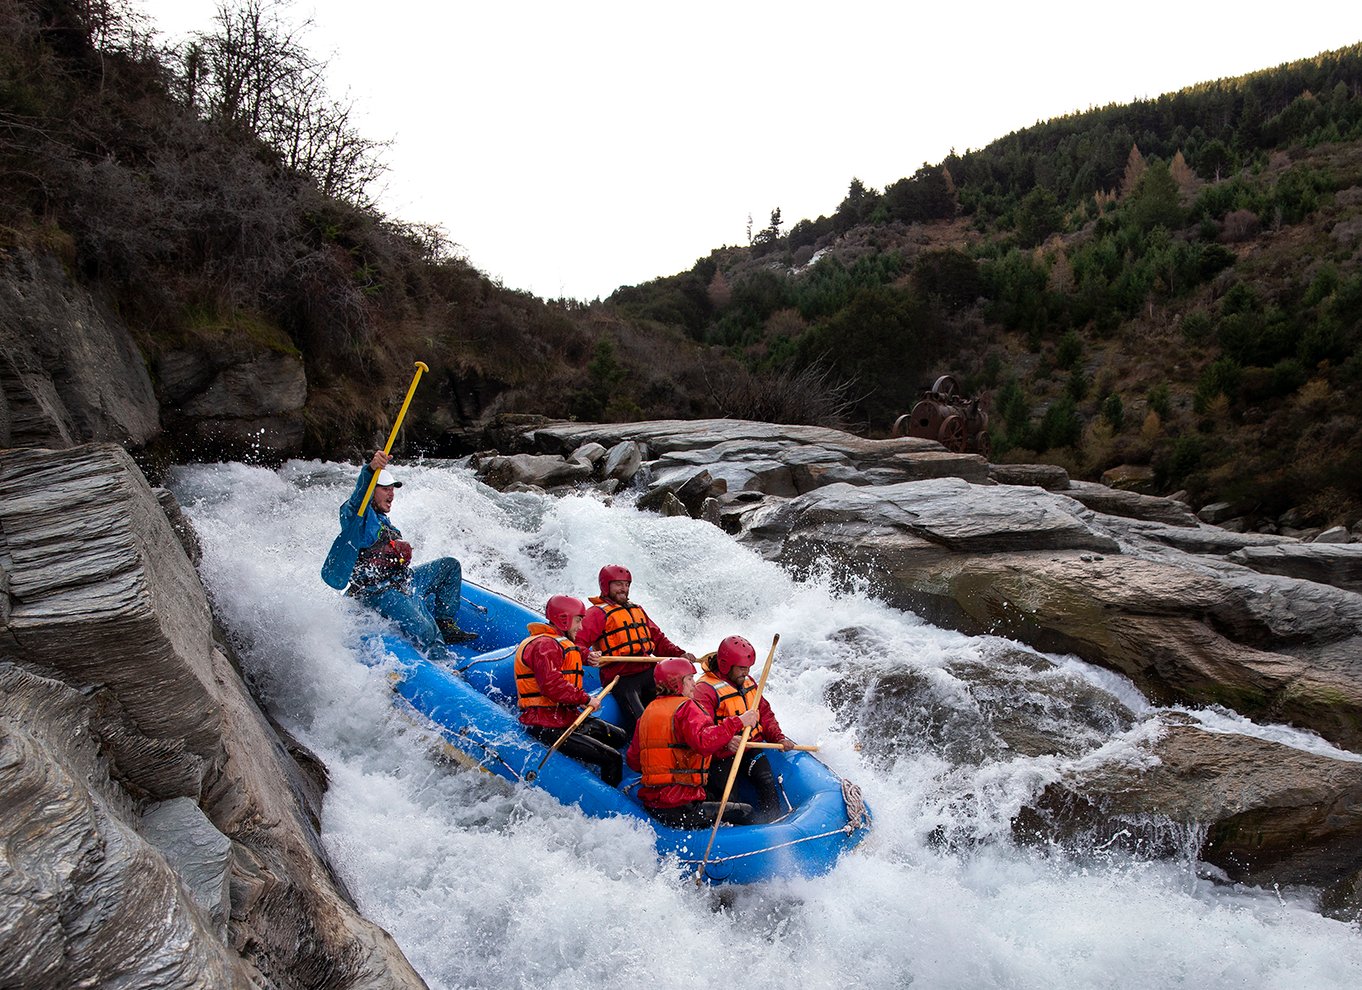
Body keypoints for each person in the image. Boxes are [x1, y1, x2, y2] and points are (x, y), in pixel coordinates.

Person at [321, 450, 472, 655]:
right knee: (427, 632)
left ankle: (445, 623)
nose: (391, 494)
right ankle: (443, 664)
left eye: (392, 489)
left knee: (450, 565)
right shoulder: (357, 518)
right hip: (378, 593)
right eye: (384, 489)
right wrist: (370, 470)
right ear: (372, 491)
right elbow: (358, 499)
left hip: (402, 582)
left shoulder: (384, 520)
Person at [625, 658, 759, 829]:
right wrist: (739, 721)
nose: (694, 684)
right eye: (689, 679)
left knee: (714, 796)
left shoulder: (647, 713)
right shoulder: (686, 707)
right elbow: (704, 742)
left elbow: (634, 761)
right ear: (676, 682)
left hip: (655, 804)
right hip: (681, 806)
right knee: (745, 812)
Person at [515, 595, 628, 786]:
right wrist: (585, 699)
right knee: (612, 758)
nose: (581, 627)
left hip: (563, 716)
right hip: (544, 723)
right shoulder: (544, 645)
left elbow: (571, 652)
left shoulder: (556, 641)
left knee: (619, 736)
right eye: (578, 620)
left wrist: (588, 656)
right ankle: (606, 805)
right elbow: (552, 686)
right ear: (563, 619)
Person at [576, 564, 694, 738]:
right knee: (642, 721)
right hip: (621, 678)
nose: (624, 589)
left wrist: (679, 654)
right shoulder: (596, 614)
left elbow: (658, 638)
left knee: (680, 708)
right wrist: (588, 656)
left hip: (649, 672)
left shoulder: (636, 610)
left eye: (626, 584)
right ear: (606, 585)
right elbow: (577, 644)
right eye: (618, 584)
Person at [693, 635, 795, 822]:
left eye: (748, 668)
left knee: (765, 779)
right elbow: (701, 729)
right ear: (725, 665)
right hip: (719, 756)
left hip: (749, 748)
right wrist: (726, 741)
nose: (746, 673)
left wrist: (778, 738)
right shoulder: (704, 689)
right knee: (730, 803)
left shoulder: (748, 682)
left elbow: (764, 713)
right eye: (741, 668)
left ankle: (773, 825)